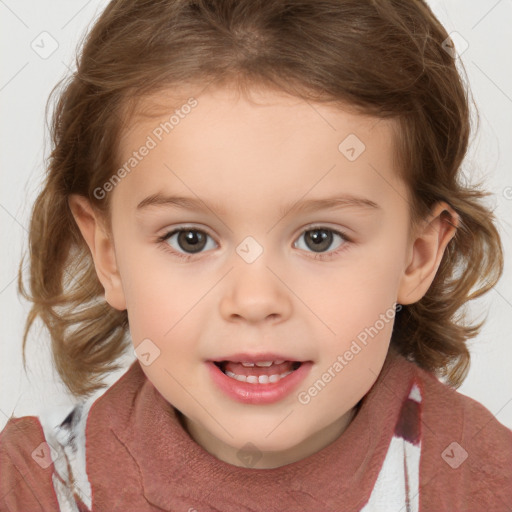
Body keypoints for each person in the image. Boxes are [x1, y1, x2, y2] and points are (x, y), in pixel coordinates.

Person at [1, 0, 511, 510]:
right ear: (107, 254)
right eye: (190, 239)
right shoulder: (32, 485)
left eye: (319, 238)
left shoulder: (483, 481)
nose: (255, 300)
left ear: (417, 256)